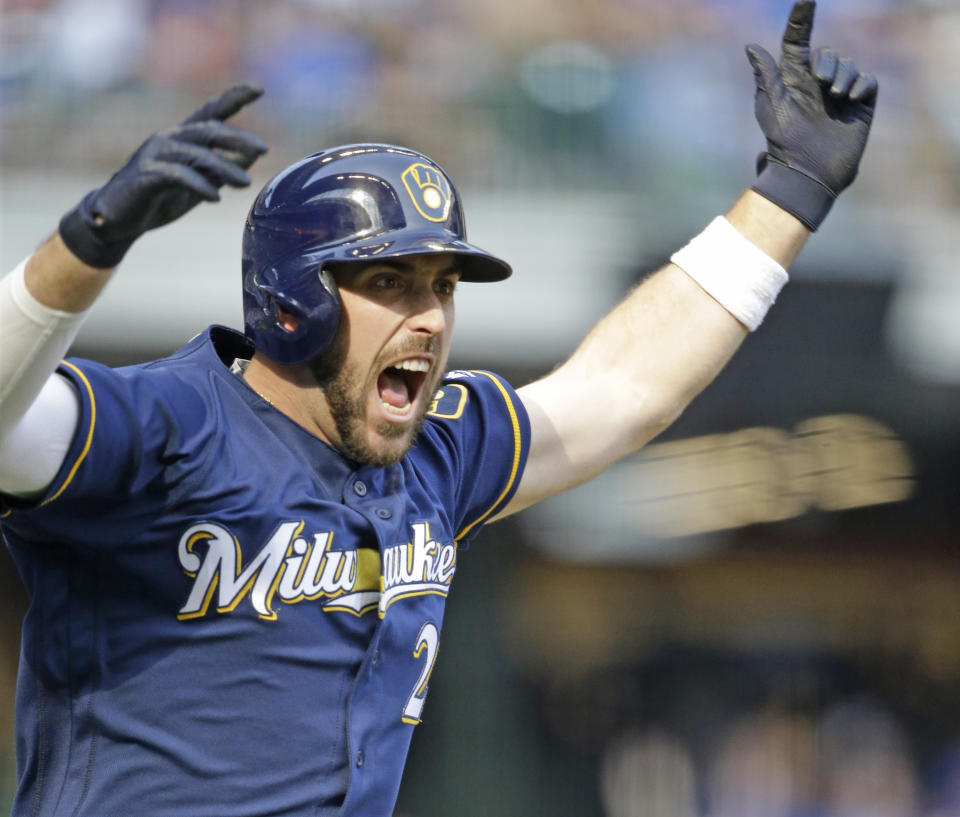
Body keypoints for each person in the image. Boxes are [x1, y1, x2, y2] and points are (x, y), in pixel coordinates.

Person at [0, 3, 877, 816]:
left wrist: (789, 192)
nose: (429, 315)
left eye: (443, 287)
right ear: (294, 299)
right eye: (389, 281)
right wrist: (84, 249)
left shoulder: (437, 451)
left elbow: (625, 387)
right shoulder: (164, 425)